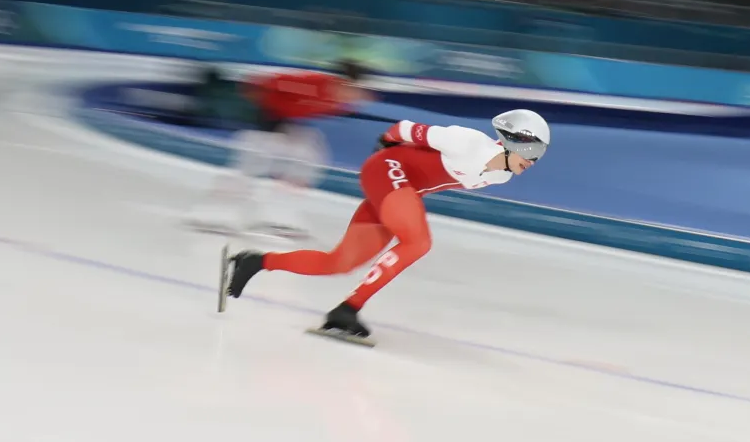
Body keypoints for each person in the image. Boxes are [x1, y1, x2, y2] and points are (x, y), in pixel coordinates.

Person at [221, 109, 551, 340]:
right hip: (387, 170)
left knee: (339, 262)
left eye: (538, 157)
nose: (533, 163)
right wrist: (384, 144)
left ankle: (255, 261)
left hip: (398, 190)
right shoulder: (466, 142)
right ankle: (348, 309)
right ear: (511, 141)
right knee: (418, 241)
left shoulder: (501, 175)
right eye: (531, 153)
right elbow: (404, 128)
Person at [188, 59, 372, 238]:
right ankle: (213, 214)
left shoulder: (342, 101)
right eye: (353, 88)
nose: (356, 94)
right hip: (261, 120)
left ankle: (278, 215)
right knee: (252, 164)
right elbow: (262, 85)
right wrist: (267, 122)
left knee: (308, 155)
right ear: (343, 82)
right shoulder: (312, 83)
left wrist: (285, 126)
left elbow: (298, 110)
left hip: (283, 124)